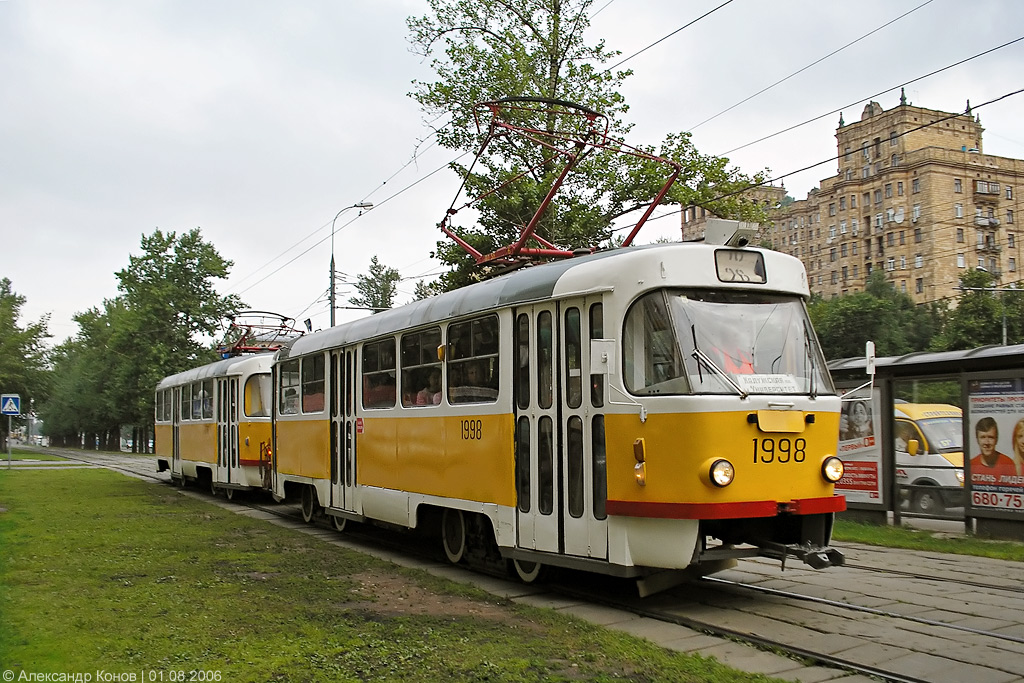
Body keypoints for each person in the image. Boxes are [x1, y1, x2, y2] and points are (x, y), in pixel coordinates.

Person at [970, 416, 1017, 481]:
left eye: (990, 437)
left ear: (996, 439)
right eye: (983, 437)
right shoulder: (971, 464)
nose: (987, 442)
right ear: (977, 440)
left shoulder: (1008, 464)